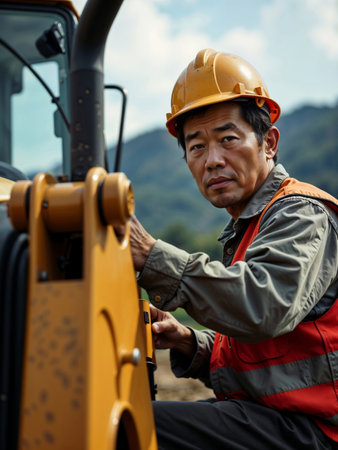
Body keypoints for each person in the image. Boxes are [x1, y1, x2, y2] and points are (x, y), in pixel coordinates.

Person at [126, 49, 338, 449]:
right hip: (279, 418)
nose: (212, 161)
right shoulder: (247, 230)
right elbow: (263, 355)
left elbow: (262, 307)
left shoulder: (302, 215)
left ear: (269, 143)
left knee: (130, 427)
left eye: (227, 139)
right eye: (197, 147)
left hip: (317, 431)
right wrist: (189, 340)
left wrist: (152, 255)